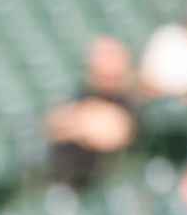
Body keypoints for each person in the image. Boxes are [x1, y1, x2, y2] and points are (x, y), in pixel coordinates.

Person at [45, 36, 137, 187]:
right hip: (63, 177)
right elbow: (52, 122)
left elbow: (113, 133)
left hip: (99, 181)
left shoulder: (127, 101)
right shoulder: (81, 93)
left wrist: (79, 122)